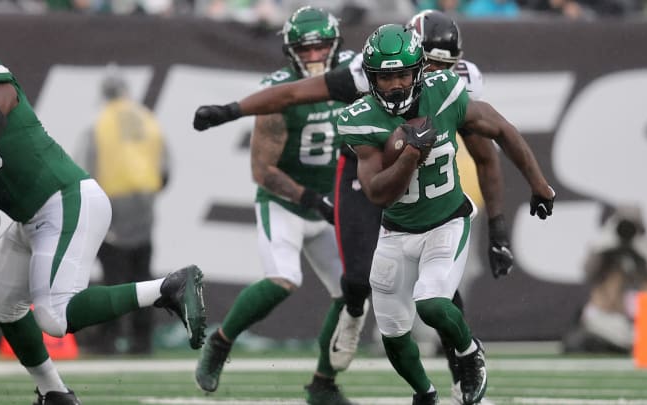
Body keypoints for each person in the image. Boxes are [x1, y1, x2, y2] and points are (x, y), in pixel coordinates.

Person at [193, 10, 517, 405]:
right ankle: (348, 309)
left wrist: (498, 227)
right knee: (354, 278)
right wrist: (231, 110)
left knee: (441, 294)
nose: (427, 74)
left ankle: (460, 376)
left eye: (440, 65)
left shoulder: (452, 86)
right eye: (425, 63)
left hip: (420, 189)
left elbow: (486, 155)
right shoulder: (365, 74)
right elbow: (292, 95)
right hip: (357, 181)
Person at [337, 24, 555, 404]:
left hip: (446, 222)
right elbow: (376, 193)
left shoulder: (445, 93)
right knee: (393, 331)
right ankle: (425, 393)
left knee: (433, 302)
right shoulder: (361, 117)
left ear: (420, 70)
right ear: (371, 78)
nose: (395, 86)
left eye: (403, 74)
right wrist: (409, 156)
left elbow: (501, 129)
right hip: (396, 230)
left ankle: (469, 354)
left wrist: (539, 184)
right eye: (385, 77)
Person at [0, 59, 206, 405]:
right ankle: (54, 393)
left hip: (64, 200)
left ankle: (168, 288)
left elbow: (0, 101)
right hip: (31, 214)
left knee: (54, 316)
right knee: (1, 305)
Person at [193, 7, 356, 405]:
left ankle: (323, 382)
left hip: (331, 198)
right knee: (284, 279)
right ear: (291, 51)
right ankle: (220, 341)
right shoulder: (279, 92)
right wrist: (311, 199)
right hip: (286, 201)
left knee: (352, 294)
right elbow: (262, 170)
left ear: (335, 46)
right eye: (307, 49)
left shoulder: (355, 75)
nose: (316, 56)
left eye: (322, 48)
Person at [79, 64, 170, 354]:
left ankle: (109, 337)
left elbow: (83, 167)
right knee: (143, 273)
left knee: (113, 276)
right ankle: (142, 338)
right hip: (144, 203)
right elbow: (166, 167)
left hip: (111, 204)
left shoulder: (98, 122)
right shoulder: (148, 119)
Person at [562, 204, 647, 354]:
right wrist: (604, 247)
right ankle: (619, 341)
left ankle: (633, 341)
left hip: (642, 317)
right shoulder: (606, 250)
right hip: (610, 313)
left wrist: (641, 250)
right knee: (611, 281)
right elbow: (588, 272)